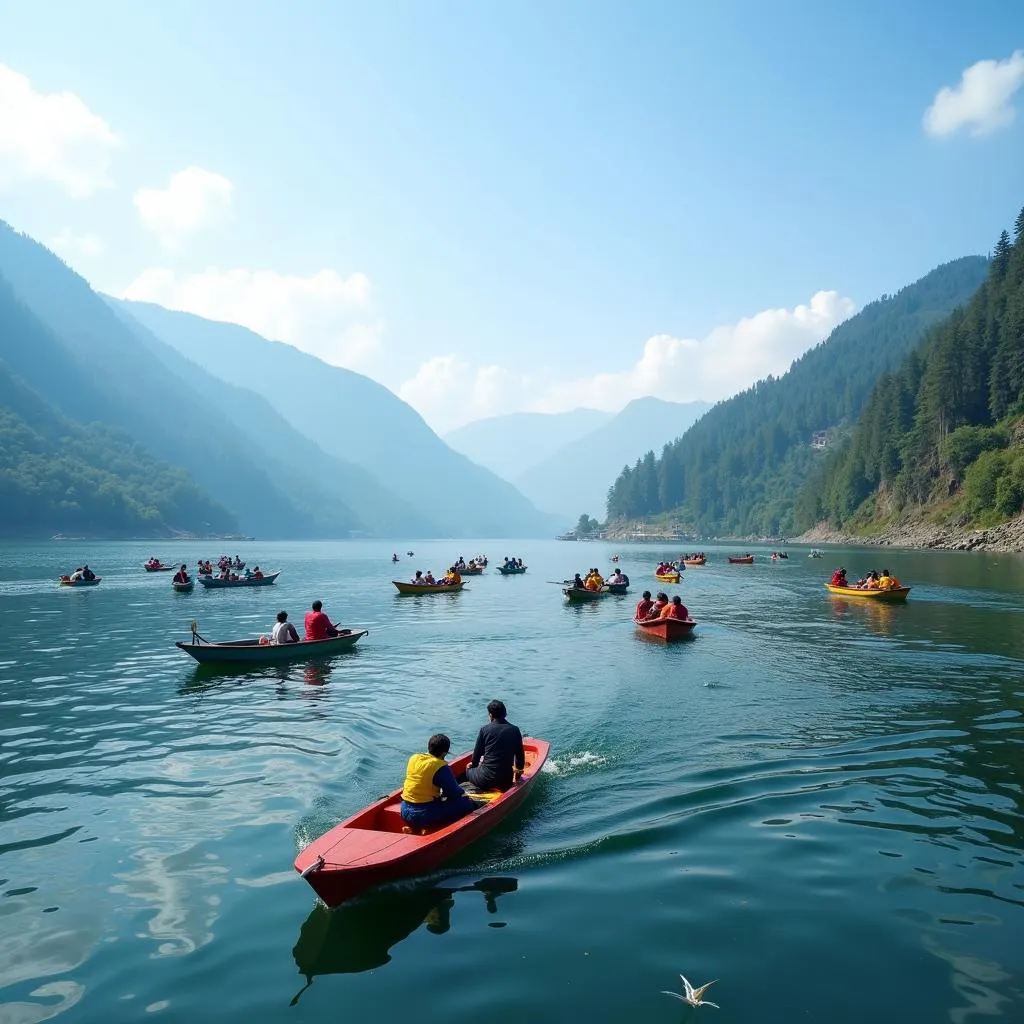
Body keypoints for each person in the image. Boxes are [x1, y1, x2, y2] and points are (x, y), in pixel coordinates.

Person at [400, 734, 483, 830]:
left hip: (404, 809)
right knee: (465, 803)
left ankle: (415, 826)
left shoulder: (414, 758)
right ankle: (434, 827)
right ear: (444, 753)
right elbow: (454, 793)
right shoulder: (440, 766)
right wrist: (464, 795)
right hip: (422, 814)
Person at [466, 700, 526, 792]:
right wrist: (517, 777)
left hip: (484, 780)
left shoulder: (484, 730)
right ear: (505, 713)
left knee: (468, 769)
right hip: (505, 782)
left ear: (490, 715)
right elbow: (520, 758)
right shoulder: (515, 730)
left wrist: (472, 766)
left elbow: (476, 756)